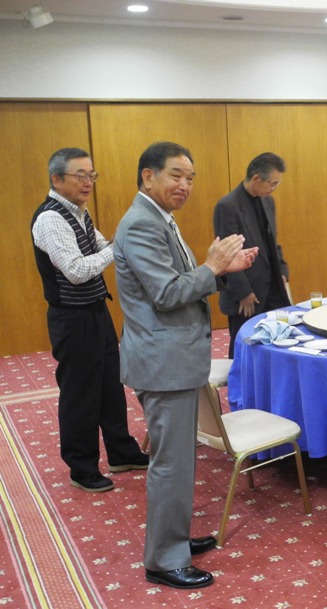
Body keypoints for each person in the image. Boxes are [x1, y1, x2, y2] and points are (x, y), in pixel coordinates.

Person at [114, 141, 258, 590]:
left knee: (180, 459)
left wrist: (219, 269)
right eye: (176, 175)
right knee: (171, 464)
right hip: (163, 363)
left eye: (190, 178)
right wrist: (212, 267)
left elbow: (177, 282)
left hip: (173, 358)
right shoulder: (141, 223)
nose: (185, 185)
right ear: (148, 176)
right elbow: (167, 294)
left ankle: (174, 538)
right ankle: (163, 559)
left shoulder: (159, 217)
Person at [30, 148, 149, 493]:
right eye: (80, 175)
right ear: (57, 179)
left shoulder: (79, 212)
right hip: (71, 318)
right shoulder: (50, 219)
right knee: (80, 393)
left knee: (110, 385)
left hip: (95, 310)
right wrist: (116, 247)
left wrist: (115, 242)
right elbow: (77, 271)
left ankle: (121, 452)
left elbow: (99, 246)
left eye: (91, 175)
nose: (88, 182)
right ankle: (81, 467)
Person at [213, 152, 290, 358]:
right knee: (244, 348)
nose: (274, 188)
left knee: (279, 343)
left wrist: (282, 271)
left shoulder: (268, 201)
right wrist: (243, 293)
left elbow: (272, 242)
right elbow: (227, 255)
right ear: (256, 179)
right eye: (272, 183)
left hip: (272, 288)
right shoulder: (227, 206)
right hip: (247, 294)